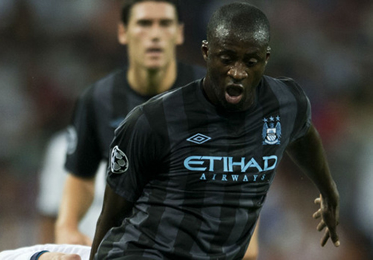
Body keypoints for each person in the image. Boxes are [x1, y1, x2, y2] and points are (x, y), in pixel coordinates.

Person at [89, 2, 340, 260]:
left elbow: (303, 135)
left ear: (266, 58)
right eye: (227, 58)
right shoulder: (153, 120)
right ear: (206, 52)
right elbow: (112, 213)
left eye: (250, 61)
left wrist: (328, 191)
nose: (237, 72)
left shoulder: (287, 102)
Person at [53, 0, 259, 258]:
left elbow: (245, 169)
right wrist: (67, 224)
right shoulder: (97, 100)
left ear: (179, 32)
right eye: (144, 23)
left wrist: (248, 240)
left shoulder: (216, 93)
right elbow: (81, 176)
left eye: (165, 24)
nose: (155, 34)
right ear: (123, 32)